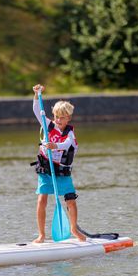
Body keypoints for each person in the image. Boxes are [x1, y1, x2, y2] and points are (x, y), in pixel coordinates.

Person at [31, 84, 86, 243]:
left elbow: (67, 144)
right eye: (56, 116)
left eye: (62, 117)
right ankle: (41, 235)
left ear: (68, 118)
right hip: (46, 170)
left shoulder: (69, 132)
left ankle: (74, 229)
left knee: (70, 200)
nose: (58, 120)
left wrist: (55, 146)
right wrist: (36, 94)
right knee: (42, 200)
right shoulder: (48, 125)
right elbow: (36, 110)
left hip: (62, 172)